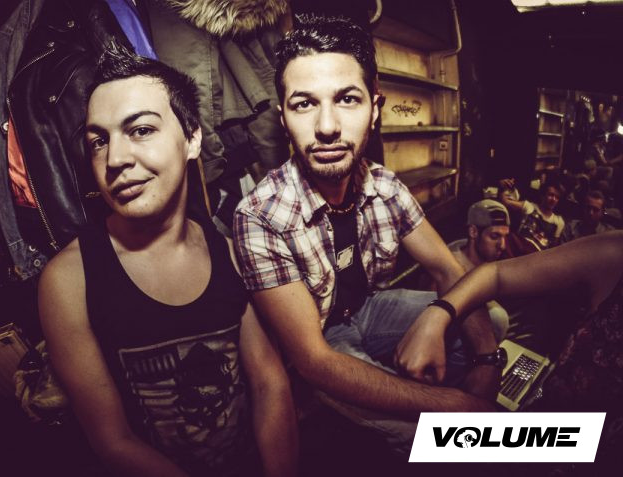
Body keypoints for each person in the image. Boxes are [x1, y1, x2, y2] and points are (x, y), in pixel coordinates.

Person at [233, 14, 499, 451]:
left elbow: (448, 269)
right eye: (304, 104)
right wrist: (454, 406)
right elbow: (314, 360)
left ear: (375, 110)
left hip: (368, 310)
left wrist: (486, 359)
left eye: (347, 99)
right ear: (283, 118)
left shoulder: (384, 185)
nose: (327, 126)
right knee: (427, 435)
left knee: (493, 322)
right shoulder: (260, 216)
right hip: (322, 340)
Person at [38, 45, 297, 477]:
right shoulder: (69, 279)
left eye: (140, 130)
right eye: (98, 141)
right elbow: (113, 442)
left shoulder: (230, 251)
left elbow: (269, 383)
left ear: (192, 139)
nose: (114, 159)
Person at [412, 231, 623, 471]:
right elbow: (496, 275)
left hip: (589, 455)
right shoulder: (615, 252)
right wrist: (437, 316)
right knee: (429, 443)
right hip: (548, 436)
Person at [444, 200, 511, 342]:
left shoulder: (488, 258)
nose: (502, 246)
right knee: (498, 318)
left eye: (505, 236)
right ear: (473, 232)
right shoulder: (449, 264)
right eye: (495, 236)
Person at [499, 178, 565, 251]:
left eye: (557, 197)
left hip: (537, 255)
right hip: (518, 247)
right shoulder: (529, 206)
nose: (554, 199)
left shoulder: (559, 222)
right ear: (543, 195)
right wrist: (503, 187)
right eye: (551, 195)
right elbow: (505, 202)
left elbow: (553, 248)